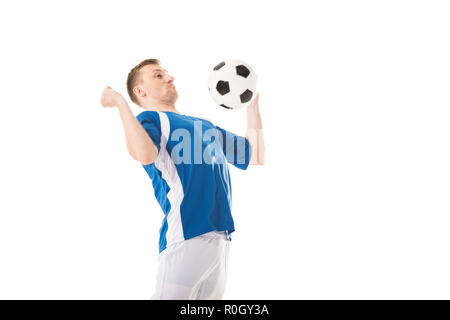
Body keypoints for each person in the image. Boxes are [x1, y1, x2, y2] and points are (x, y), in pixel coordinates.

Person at [100, 58, 265, 299]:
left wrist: (252, 107)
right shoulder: (151, 120)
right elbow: (144, 154)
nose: (169, 77)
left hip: (220, 240)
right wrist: (120, 103)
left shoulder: (205, 126)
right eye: (158, 75)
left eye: (167, 73)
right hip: (186, 235)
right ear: (140, 91)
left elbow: (255, 154)